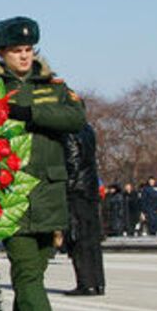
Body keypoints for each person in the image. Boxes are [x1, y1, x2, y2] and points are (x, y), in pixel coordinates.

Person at [0, 16, 86, 311]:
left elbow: (75, 116)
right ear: (2, 52)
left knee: (31, 277)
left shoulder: (53, 84)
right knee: (27, 275)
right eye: (17, 51)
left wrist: (29, 114)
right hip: (12, 194)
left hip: (49, 194)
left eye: (28, 50)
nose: (24, 57)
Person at [61, 123, 104, 296]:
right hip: (90, 186)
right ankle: (98, 282)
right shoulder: (88, 129)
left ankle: (86, 283)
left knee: (78, 235)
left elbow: (72, 161)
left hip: (77, 189)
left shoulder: (69, 131)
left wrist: (68, 185)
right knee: (92, 238)